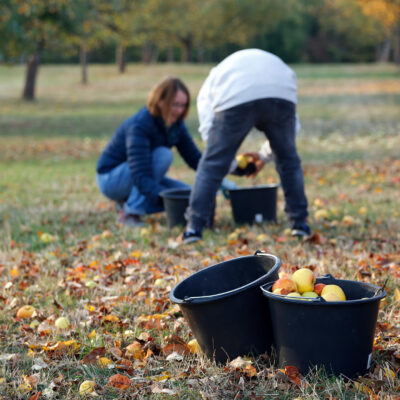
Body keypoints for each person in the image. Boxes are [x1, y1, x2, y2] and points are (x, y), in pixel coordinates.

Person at [182, 48, 310, 243]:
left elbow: (210, 131)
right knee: (289, 161)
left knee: (211, 165)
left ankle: (194, 228)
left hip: (236, 94)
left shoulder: (216, 77)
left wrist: (228, 163)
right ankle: (300, 224)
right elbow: (289, 136)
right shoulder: (270, 70)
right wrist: (265, 155)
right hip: (282, 89)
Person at [96, 76, 201, 227]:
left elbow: (194, 158)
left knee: (186, 194)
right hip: (111, 178)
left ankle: (127, 202)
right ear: (160, 101)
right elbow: (140, 174)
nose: (180, 110)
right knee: (163, 155)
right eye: (175, 104)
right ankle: (130, 213)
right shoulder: (140, 125)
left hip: (141, 174)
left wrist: (224, 173)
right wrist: (164, 198)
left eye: (183, 105)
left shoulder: (175, 124)